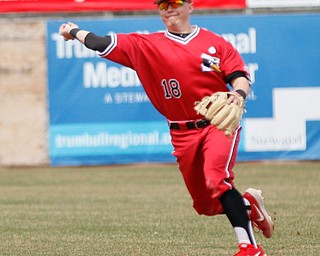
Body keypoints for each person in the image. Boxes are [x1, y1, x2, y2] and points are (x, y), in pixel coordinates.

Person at [59, 0, 274, 255]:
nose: (168, 8)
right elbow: (100, 42)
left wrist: (238, 94)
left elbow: (238, 74)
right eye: (162, 4)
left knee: (217, 179)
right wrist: (73, 31)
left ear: (190, 6)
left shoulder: (214, 42)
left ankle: (249, 248)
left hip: (218, 124)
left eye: (174, 2)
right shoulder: (146, 46)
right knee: (205, 205)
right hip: (181, 133)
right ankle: (248, 207)